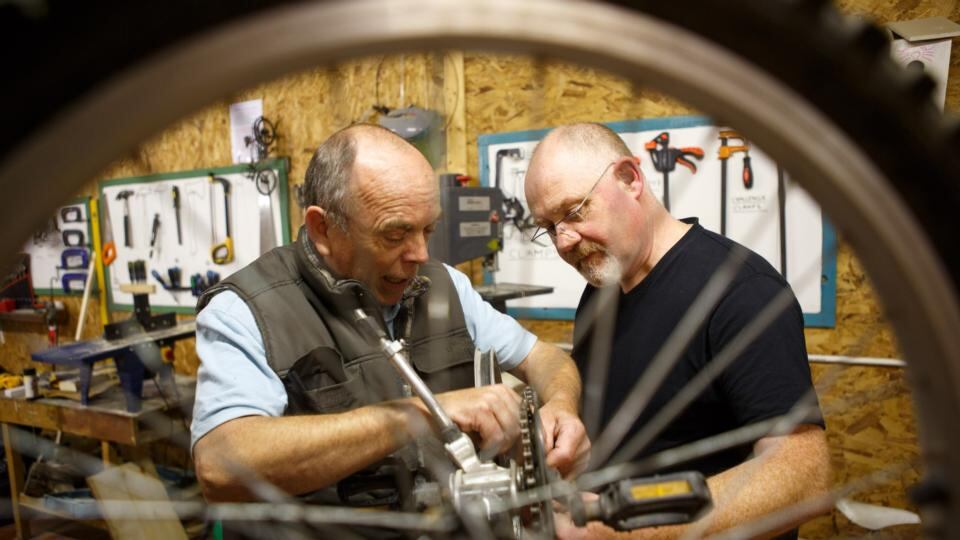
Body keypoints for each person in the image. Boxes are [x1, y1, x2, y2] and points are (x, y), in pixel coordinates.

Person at [190, 124, 589, 508]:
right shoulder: (245, 310)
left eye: (428, 231)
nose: (420, 255)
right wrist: (420, 414)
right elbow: (219, 467)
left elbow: (547, 359)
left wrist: (561, 407)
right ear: (322, 228)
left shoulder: (444, 284)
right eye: (395, 235)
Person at [524, 123, 831, 539]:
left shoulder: (741, 291)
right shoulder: (602, 292)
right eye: (548, 226)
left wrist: (633, 532)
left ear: (630, 179)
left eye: (575, 212)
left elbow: (803, 478)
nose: (563, 242)